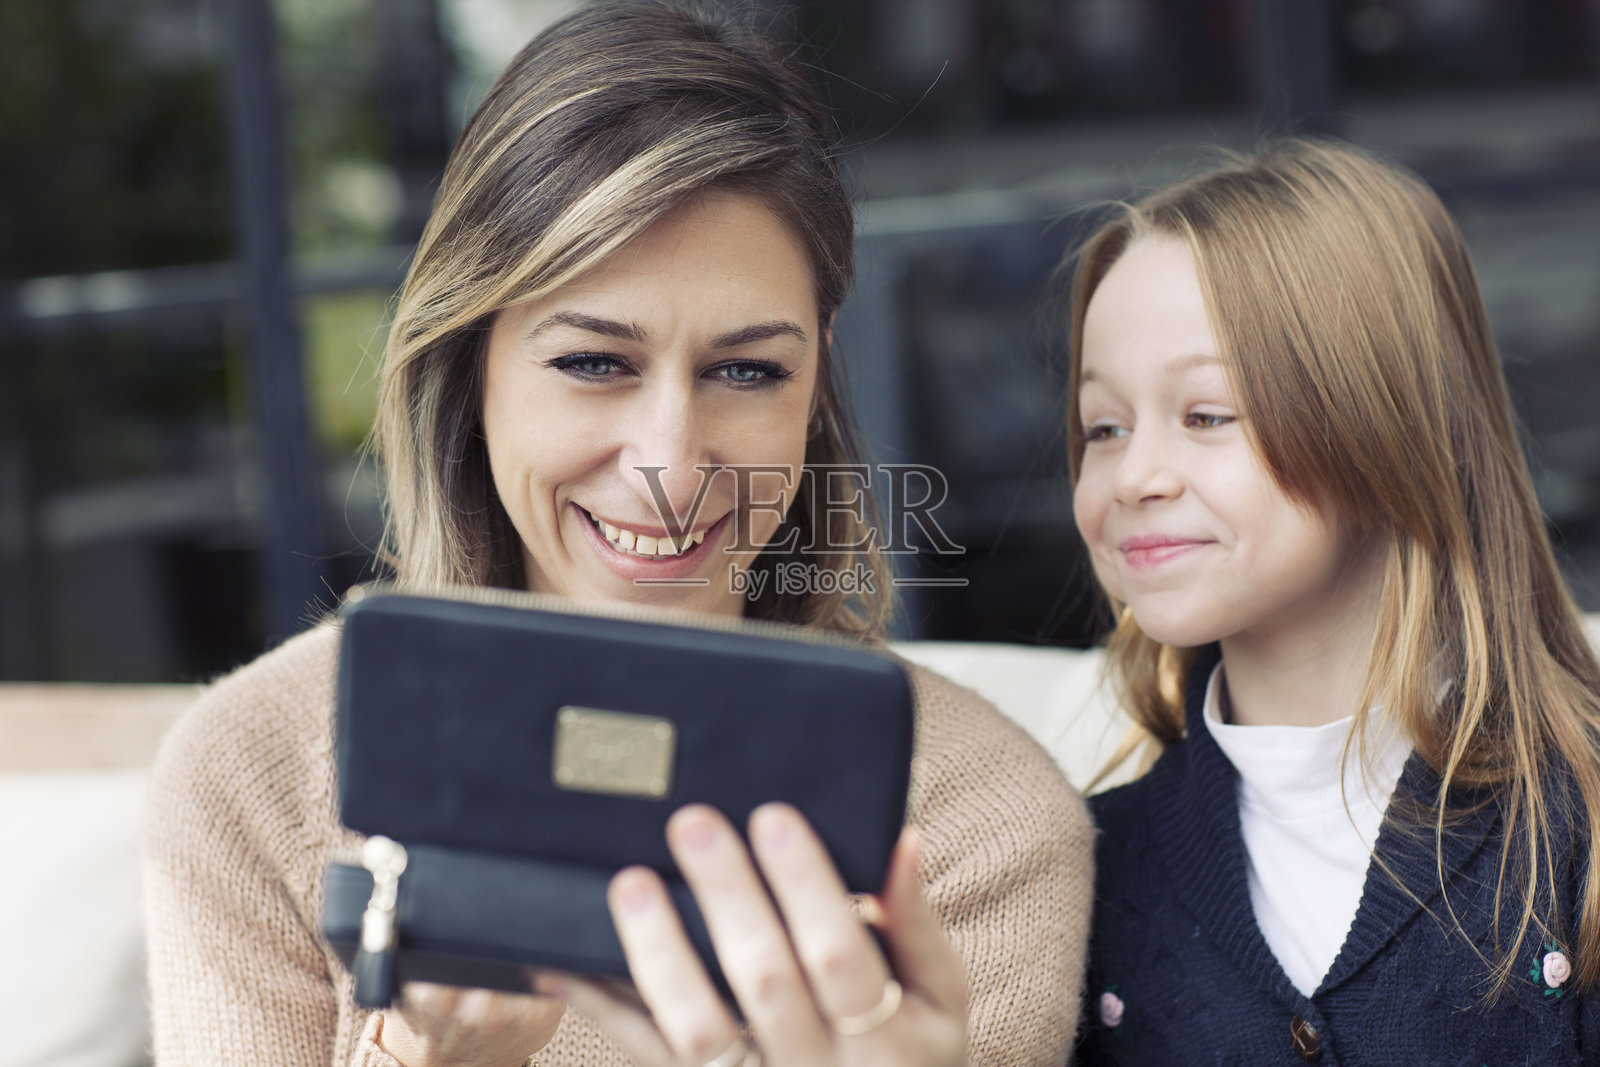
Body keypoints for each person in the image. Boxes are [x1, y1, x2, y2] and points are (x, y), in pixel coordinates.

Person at [141, 3, 1093, 1066]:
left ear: (819, 372)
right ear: (471, 362)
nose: (672, 468)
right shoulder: (256, 777)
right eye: (594, 361)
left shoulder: (972, 827)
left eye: (746, 370)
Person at [1065, 137, 1600, 1063]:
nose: (1133, 474)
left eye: (1205, 414)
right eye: (1102, 427)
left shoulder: (1578, 833)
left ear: (1376, 419)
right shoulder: (1083, 873)